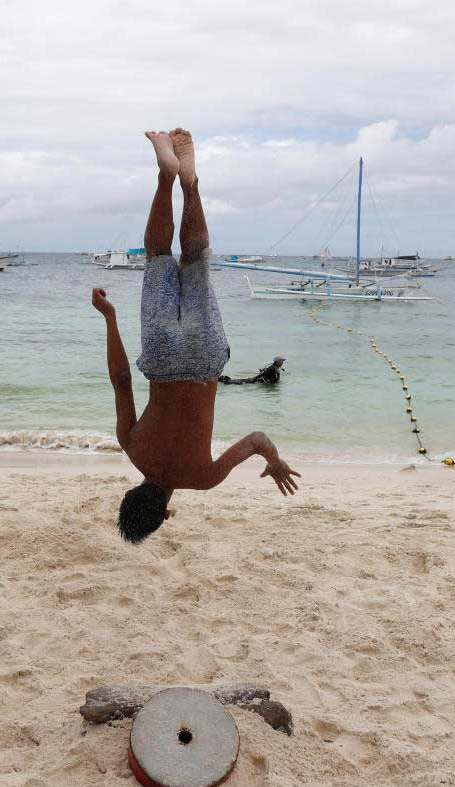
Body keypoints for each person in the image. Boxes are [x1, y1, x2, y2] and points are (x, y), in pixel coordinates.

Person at [93, 128, 300, 543]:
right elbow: (120, 380)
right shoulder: (132, 447)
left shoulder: (203, 478)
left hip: (205, 360)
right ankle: (166, 177)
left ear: (165, 513)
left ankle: (191, 184)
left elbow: (258, 439)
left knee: (196, 261)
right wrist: (109, 318)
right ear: (129, 493)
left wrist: (275, 460)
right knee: (158, 257)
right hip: (160, 357)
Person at [218, 355, 286, 385]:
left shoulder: (276, 367)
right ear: (277, 362)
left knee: (244, 381)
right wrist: (254, 378)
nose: (282, 362)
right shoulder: (272, 368)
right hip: (260, 382)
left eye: (282, 361)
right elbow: (263, 374)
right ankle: (226, 380)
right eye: (281, 361)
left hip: (263, 382)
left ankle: (226, 380)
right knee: (242, 382)